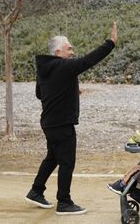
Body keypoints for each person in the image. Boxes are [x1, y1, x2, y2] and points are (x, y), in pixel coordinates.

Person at [25, 22, 117, 215]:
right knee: (67, 162)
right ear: (58, 52)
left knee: (52, 158)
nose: (72, 51)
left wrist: (68, 90)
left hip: (50, 123)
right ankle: (64, 202)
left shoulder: (46, 67)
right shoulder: (63, 66)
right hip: (61, 124)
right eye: (69, 48)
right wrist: (110, 43)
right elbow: (88, 61)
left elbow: (40, 93)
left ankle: (36, 191)